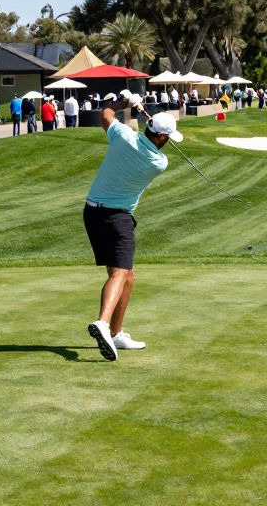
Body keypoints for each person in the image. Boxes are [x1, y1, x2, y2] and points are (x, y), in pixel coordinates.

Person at [83, 91, 181, 362]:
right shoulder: (159, 162)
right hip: (118, 219)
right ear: (161, 137)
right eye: (168, 138)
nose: (169, 143)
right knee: (120, 273)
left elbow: (105, 114)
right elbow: (144, 141)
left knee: (127, 276)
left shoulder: (122, 136)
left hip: (91, 213)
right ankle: (103, 323)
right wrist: (136, 109)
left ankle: (116, 334)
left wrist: (123, 103)